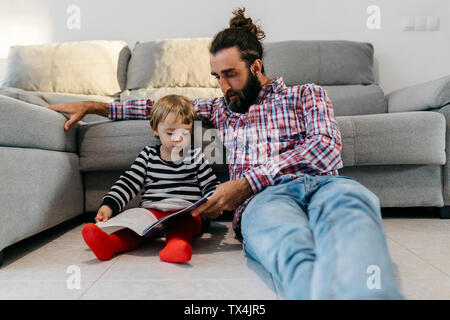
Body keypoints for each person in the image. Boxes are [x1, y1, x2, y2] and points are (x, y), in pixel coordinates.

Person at [47, 8, 403, 299]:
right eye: (216, 76)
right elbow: (160, 107)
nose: (222, 86)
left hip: (325, 186)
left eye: (230, 75)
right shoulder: (222, 108)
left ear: (256, 67)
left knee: (354, 225)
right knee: (291, 249)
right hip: (265, 202)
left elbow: (326, 147)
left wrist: (247, 181)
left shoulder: (306, 94)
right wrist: (95, 105)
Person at [81, 94, 220, 263]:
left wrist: (214, 204)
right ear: (156, 129)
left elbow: (211, 186)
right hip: (152, 213)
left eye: (184, 133)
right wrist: (109, 205)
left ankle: (176, 246)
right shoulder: (148, 155)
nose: (177, 139)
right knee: (135, 228)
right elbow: (129, 182)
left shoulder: (196, 156)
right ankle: (110, 243)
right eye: (170, 133)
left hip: (185, 213)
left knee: (184, 225)